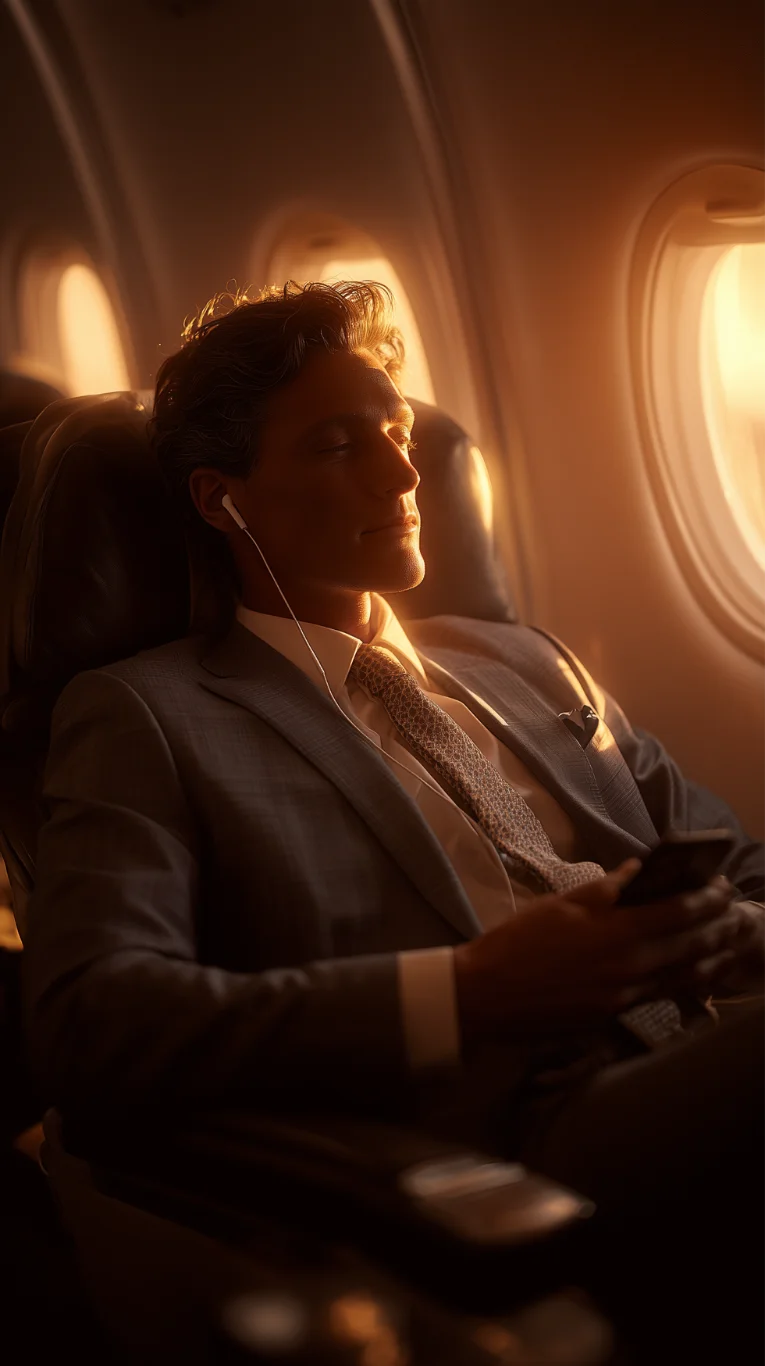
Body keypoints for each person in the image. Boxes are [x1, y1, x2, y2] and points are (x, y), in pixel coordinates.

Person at [22, 282, 765, 1356]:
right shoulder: (149, 710)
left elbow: (742, 867)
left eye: (399, 432)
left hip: (705, 1039)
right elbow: (94, 1020)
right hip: (516, 1132)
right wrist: (468, 992)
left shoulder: (525, 661)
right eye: (338, 445)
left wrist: (732, 937)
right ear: (223, 499)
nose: (405, 472)